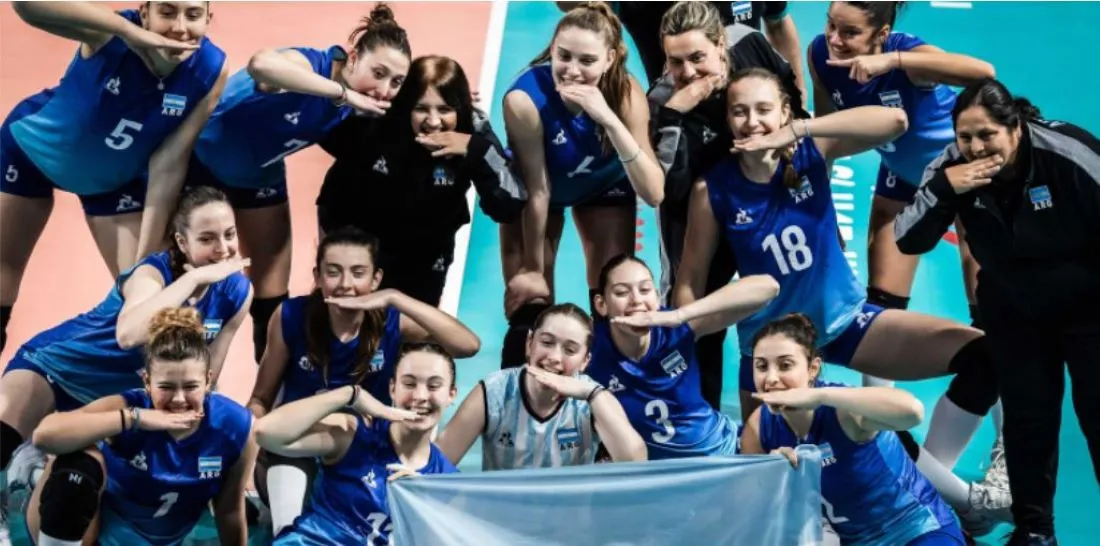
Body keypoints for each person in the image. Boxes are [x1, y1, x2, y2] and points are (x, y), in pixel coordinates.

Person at [673, 68, 1004, 486]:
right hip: (772, 350)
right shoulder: (713, 189)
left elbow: (895, 121)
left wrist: (798, 130)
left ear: (784, 112)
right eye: (739, 112)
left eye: (763, 110)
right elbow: (691, 277)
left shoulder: (811, 150)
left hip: (845, 322)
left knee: (985, 356)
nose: (752, 121)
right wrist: (680, 340)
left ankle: (942, 487)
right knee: (770, 472)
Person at [895, 78, 1100, 545]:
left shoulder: (1066, 153)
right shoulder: (951, 167)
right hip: (1014, 310)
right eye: (965, 137)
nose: (975, 147)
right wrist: (947, 190)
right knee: (1029, 421)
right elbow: (908, 237)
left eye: (987, 135)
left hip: (1090, 310)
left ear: (1016, 129)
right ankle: (1034, 532)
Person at [173, 3, 413, 363]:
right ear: (351, 58)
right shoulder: (313, 66)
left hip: (259, 176)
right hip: (200, 164)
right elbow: (262, 65)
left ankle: (270, 396)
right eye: (378, 73)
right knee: (181, 279)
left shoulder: (365, 101)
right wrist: (342, 95)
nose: (384, 89)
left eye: (396, 82)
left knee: (272, 298)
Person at [0, 186, 252, 528]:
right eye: (207, 239)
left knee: (83, 479)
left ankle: (35, 464)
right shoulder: (151, 274)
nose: (223, 249)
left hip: (120, 394)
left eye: (229, 234)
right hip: (56, 367)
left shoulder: (237, 292)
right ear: (181, 242)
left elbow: (208, 371)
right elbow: (128, 335)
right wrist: (194, 278)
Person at [0, 1, 228, 353]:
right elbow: (26, 5)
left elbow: (169, 161)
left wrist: (146, 260)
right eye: (167, 13)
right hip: (31, 153)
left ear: (209, 19)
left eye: (193, 15)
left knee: (146, 302)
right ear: (144, 12)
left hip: (114, 181)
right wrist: (129, 32)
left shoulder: (212, 69)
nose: (180, 28)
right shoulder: (107, 33)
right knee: (3, 279)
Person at [807, 1, 994, 395]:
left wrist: (894, 61)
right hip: (902, 177)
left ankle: (1004, 438)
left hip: (962, 176)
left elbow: (983, 74)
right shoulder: (820, 55)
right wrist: (823, 214)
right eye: (831, 25)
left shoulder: (909, 55)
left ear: (882, 33)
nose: (834, 39)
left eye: (850, 32)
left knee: (988, 307)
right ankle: (878, 425)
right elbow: (827, 138)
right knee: (881, 306)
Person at [244, 226, 480, 535]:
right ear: (317, 277)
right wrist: (244, 459)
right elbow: (261, 399)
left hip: (363, 453)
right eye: (333, 272)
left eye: (358, 273)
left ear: (376, 279)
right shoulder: (291, 317)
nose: (346, 285)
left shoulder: (390, 322)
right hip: (299, 444)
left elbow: (468, 345)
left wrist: (396, 298)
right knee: (289, 529)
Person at [648, 0, 809, 410]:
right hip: (698, 214)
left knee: (785, 308)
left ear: (721, 45)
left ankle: (781, 418)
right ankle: (698, 424)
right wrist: (673, 116)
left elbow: (794, 109)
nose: (687, 73)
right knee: (698, 318)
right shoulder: (664, 99)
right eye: (675, 61)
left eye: (698, 58)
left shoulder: (751, 43)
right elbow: (668, 189)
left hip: (763, 205)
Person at [500, 2, 665, 370]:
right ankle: (516, 405)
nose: (572, 71)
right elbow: (539, 190)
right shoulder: (524, 100)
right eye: (564, 56)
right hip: (539, 192)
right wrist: (531, 268)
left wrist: (607, 117)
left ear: (609, 59)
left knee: (615, 305)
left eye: (587, 61)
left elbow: (654, 193)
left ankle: (609, 398)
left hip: (603, 186)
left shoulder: (625, 94)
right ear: (552, 50)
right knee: (529, 307)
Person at [24, 307, 258, 545]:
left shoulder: (236, 427)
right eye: (166, 387)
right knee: (77, 460)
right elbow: (44, 435)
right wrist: (133, 419)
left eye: (190, 387)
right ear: (147, 382)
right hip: (93, 533)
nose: (178, 399)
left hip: (157, 539)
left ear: (208, 381)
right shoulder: (130, 405)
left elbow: (229, 509)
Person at [740, 313, 975, 545]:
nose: (770, 378)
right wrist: (772, 475)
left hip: (916, 530)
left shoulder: (844, 411)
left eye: (785, 365)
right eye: (761, 366)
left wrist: (820, 395)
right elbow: (755, 515)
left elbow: (913, 412)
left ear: (813, 369)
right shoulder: (759, 427)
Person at [317, 54, 526, 306]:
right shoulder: (378, 120)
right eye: (421, 108)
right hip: (359, 248)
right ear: (406, 106)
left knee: (415, 337)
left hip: (427, 256)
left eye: (445, 109)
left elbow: (510, 205)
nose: (434, 122)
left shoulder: (473, 129)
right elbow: (315, 114)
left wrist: (477, 151)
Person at [255, 342, 460, 546]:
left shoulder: (445, 483)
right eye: (409, 384)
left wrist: (423, 506)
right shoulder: (354, 433)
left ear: (451, 394)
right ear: (392, 389)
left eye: (433, 386)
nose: (420, 396)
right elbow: (265, 433)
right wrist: (349, 395)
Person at [586, 255, 779, 459]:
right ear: (601, 304)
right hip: (654, 474)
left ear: (657, 296)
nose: (637, 300)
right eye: (622, 292)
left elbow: (769, 287)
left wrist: (681, 315)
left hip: (718, 453)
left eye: (645, 290)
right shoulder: (589, 347)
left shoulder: (677, 330)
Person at [437, 303, 647, 470]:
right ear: (530, 343)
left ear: (585, 361)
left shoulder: (593, 398)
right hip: (500, 520)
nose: (554, 357)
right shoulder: (493, 391)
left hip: (569, 521)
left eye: (570, 350)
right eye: (547, 342)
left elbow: (636, 463)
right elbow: (437, 464)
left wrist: (591, 394)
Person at [558, 1, 805, 97]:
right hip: (682, 122)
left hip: (755, 116)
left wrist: (799, 92)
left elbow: (779, 23)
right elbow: (567, 3)